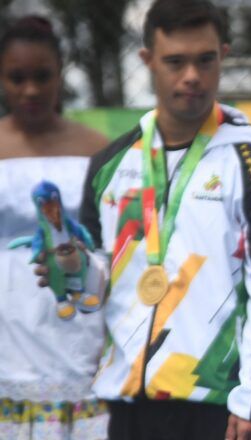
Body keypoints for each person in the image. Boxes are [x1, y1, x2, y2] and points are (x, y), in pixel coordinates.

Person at [44, 1, 251, 439]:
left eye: (205, 60)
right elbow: (95, 290)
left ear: (223, 55)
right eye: (175, 62)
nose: (192, 76)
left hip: (216, 405)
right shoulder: (109, 165)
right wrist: (71, 269)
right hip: (121, 403)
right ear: (147, 60)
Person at [0, 15, 110, 439]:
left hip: (78, 318)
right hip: (8, 320)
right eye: (17, 78)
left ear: (60, 74)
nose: (30, 89)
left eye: (42, 76)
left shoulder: (98, 149)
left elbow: (111, 245)